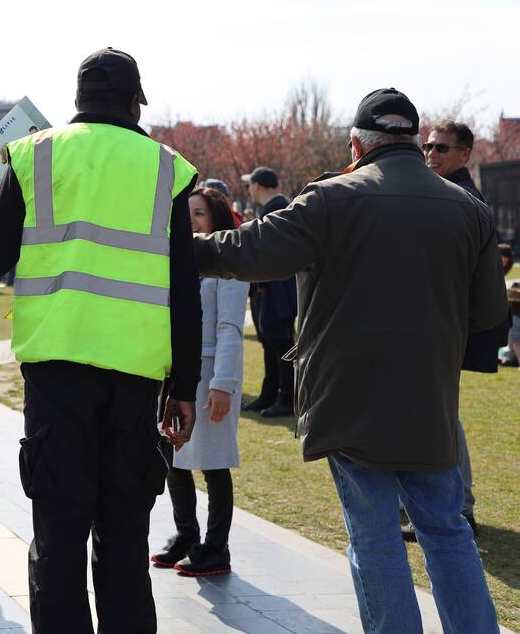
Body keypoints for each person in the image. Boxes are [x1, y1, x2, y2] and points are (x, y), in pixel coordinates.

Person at [192, 88, 504, 633]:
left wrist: (175, 243)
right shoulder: (469, 209)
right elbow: (487, 313)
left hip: (347, 397)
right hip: (428, 397)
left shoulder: (331, 198)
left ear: (357, 145)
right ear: (414, 140)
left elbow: (245, 251)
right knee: (447, 530)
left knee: (374, 534)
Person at [0, 47, 202, 634]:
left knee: (58, 536)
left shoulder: (32, 155)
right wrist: (184, 387)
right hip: (136, 378)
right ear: (134, 103)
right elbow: (184, 288)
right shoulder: (166, 168)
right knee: (125, 539)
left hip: (56, 375)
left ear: (76, 101)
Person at [411, 119, 510, 539]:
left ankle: (460, 508)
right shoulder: (448, 194)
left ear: (466, 154)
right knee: (437, 418)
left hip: (447, 330)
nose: (432, 155)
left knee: (443, 420)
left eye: (442, 149)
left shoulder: (464, 199)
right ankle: (448, 506)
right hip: (440, 328)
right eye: (429, 148)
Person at [152, 187, 248, 577]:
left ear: (217, 219)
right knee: (174, 457)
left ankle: (216, 546)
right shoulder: (175, 258)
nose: (191, 220)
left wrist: (222, 383)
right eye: (186, 213)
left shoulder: (228, 261)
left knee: (213, 463)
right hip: (175, 373)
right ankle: (186, 535)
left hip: (211, 373)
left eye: (200, 213)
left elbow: (229, 327)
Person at [240, 166, 297, 417]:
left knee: (281, 344)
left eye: (249, 184)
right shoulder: (276, 207)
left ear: (258, 185)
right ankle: (269, 395)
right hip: (272, 288)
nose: (248, 189)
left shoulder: (278, 209)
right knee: (270, 343)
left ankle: (287, 398)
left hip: (278, 289)